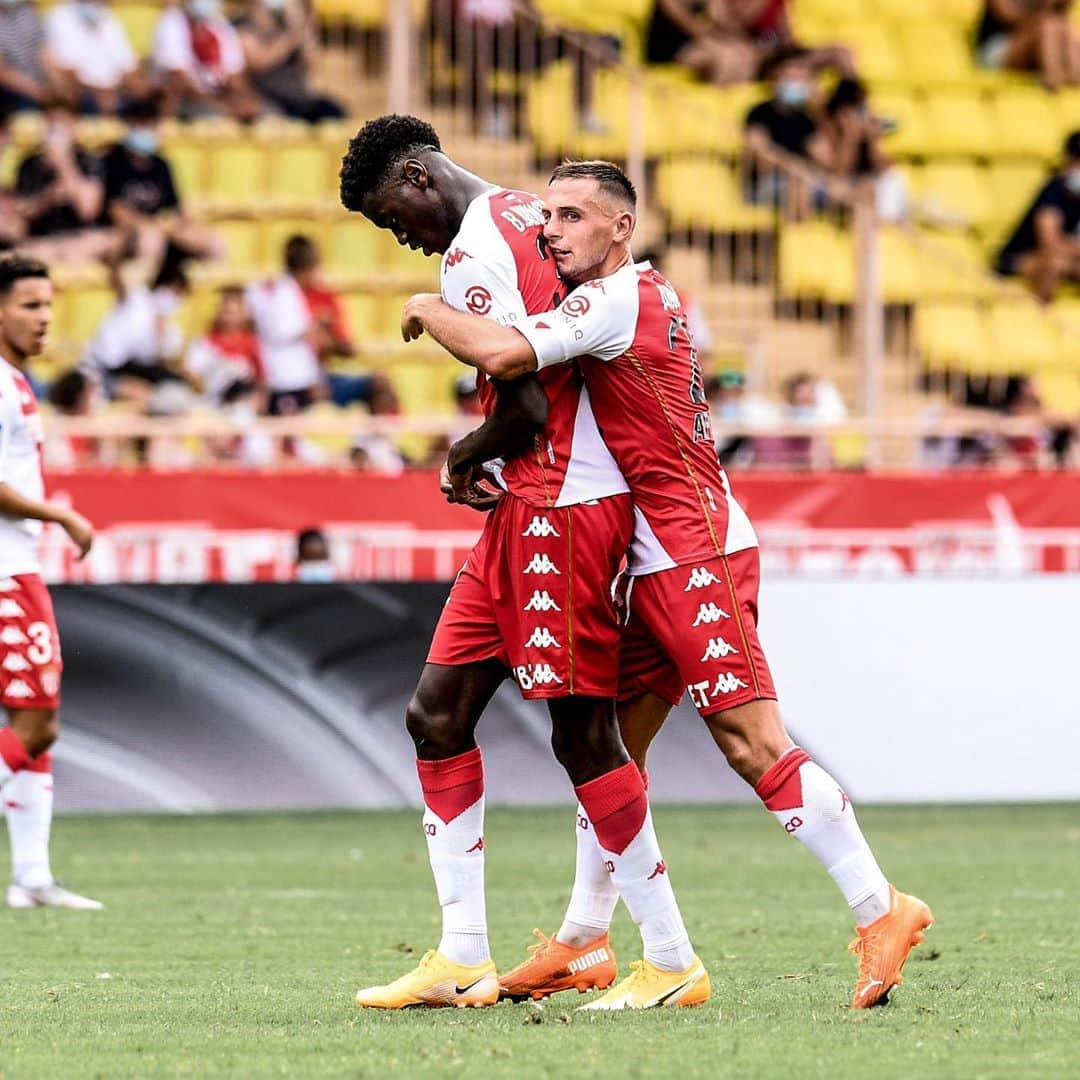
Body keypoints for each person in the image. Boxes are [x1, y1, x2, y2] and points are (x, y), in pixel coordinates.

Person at [401, 159, 934, 1010]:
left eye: (573, 216)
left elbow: (503, 351)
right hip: (651, 553)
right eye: (547, 216)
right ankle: (583, 938)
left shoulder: (613, 302)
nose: (551, 231)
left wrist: (429, 307)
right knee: (614, 747)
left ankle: (881, 905)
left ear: (622, 226)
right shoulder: (640, 295)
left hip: (698, 553)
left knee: (750, 743)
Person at [341, 115, 706, 1011]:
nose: (402, 236)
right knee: (436, 713)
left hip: (563, 506)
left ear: (420, 177)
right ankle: (463, 954)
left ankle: (670, 958)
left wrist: (465, 453)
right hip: (526, 513)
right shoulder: (524, 213)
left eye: (395, 217)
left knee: (584, 735)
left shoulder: (469, 254)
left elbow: (532, 405)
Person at [0, 254, 101, 909]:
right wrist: (59, 511)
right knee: (36, 722)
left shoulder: (18, 382)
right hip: (7, 571)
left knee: (33, 722)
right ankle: (31, 876)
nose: (44, 319)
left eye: (49, 306)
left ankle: (32, 877)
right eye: (31, 305)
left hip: (17, 564)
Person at [743, 48, 831, 218]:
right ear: (774, 80)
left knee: (855, 190)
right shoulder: (759, 113)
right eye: (791, 78)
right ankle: (797, 240)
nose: (796, 84)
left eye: (801, 79)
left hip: (804, 179)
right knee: (798, 184)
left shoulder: (807, 118)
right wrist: (795, 168)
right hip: (767, 184)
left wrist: (822, 113)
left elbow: (826, 160)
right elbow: (762, 159)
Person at [994, 130, 1080, 302]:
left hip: (1068, 258)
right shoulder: (1053, 192)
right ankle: (1040, 318)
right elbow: (1050, 243)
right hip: (1020, 258)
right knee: (1054, 263)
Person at [14, 100, 106, 258]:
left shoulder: (89, 161)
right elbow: (22, 211)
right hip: (42, 238)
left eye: (63, 122)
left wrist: (64, 163)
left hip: (80, 236)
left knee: (94, 244)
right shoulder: (29, 163)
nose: (58, 129)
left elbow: (88, 211)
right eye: (53, 122)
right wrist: (49, 198)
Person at [235, 0, 345, 123]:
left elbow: (311, 62)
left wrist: (300, 21)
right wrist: (292, 35)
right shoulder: (242, 25)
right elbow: (259, 61)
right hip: (271, 100)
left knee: (334, 113)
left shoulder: (283, 25)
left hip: (300, 99)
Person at [153, 0, 260, 120]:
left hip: (217, 98)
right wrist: (222, 106)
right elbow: (178, 79)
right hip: (186, 100)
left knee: (265, 113)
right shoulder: (172, 22)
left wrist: (244, 100)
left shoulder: (219, 23)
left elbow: (234, 75)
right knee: (214, 116)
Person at [820, 77, 907, 223]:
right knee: (863, 189)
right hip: (838, 186)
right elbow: (839, 171)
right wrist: (850, 139)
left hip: (866, 184)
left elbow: (882, 166)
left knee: (883, 182)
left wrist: (872, 140)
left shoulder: (869, 127)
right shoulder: (827, 129)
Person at [43, 0, 143, 116]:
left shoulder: (107, 16)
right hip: (84, 96)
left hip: (114, 93)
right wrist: (101, 95)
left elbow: (127, 63)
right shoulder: (59, 17)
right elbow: (66, 70)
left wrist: (122, 91)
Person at [183, 285, 265, 407]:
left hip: (243, 403)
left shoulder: (251, 342)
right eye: (224, 312)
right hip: (213, 403)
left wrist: (259, 398)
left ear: (243, 314)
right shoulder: (206, 342)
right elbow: (192, 372)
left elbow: (260, 377)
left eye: (232, 312)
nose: (228, 317)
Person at [974, 0, 1080, 90]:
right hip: (994, 51)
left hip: (1030, 52)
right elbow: (1005, 13)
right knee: (1046, 28)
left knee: (1063, 27)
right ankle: (1054, 86)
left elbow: (1061, 12)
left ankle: (1071, 89)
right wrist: (1042, 7)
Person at [0, 0, 57, 113]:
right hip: (15, 90)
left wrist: (55, 87)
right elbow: (3, 72)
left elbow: (44, 51)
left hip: (41, 82)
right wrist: (37, 91)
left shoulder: (27, 12)